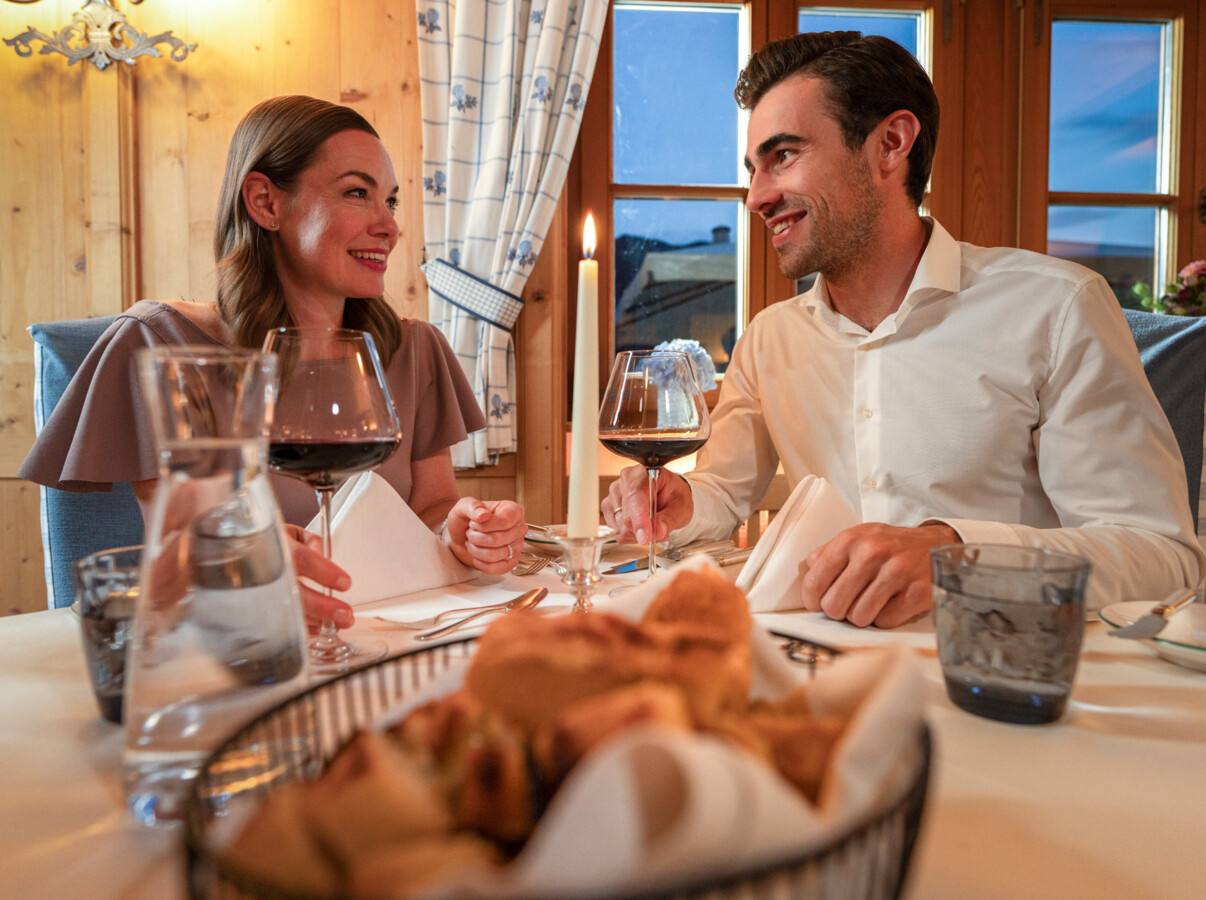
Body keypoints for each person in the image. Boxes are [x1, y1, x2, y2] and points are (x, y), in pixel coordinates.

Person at [603, 32, 1204, 628]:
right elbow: (724, 494)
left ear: (891, 144)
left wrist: (956, 555)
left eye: (783, 155)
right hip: (824, 667)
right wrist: (678, 505)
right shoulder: (769, 338)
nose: (757, 195)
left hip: (1006, 681)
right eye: (754, 167)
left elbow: (1161, 558)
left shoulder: (1057, 307)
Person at [21, 95, 527, 632]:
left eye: (392, 202)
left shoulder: (413, 350)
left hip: (393, 637)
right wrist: (242, 560)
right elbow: (188, 542)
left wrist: (462, 529)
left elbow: (432, 504)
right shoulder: (161, 345)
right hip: (237, 650)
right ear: (265, 202)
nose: (390, 227)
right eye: (358, 193)